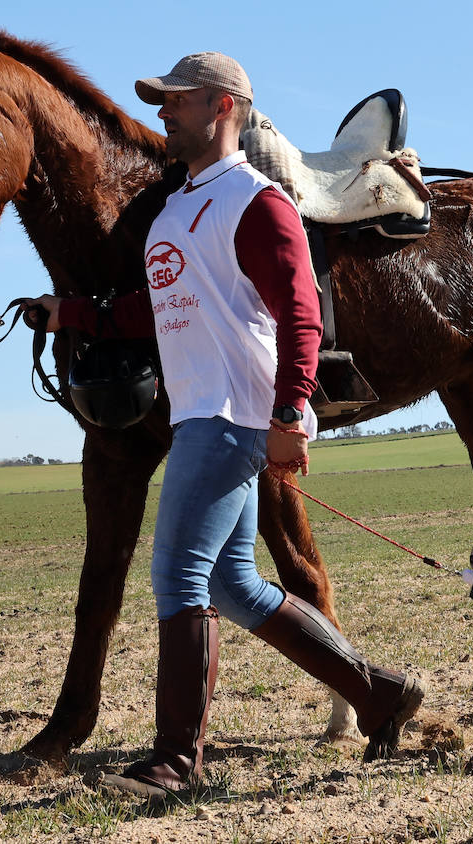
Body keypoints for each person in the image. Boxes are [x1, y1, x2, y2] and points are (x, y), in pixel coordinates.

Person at [27, 52, 423, 801]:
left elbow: (301, 314)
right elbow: (161, 307)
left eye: (176, 100)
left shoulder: (257, 201)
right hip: (200, 413)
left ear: (223, 107)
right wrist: (71, 314)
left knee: (178, 574)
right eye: (161, 101)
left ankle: (175, 762)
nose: (162, 112)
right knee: (233, 585)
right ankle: (382, 694)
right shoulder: (176, 209)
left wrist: (289, 413)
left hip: (232, 415)